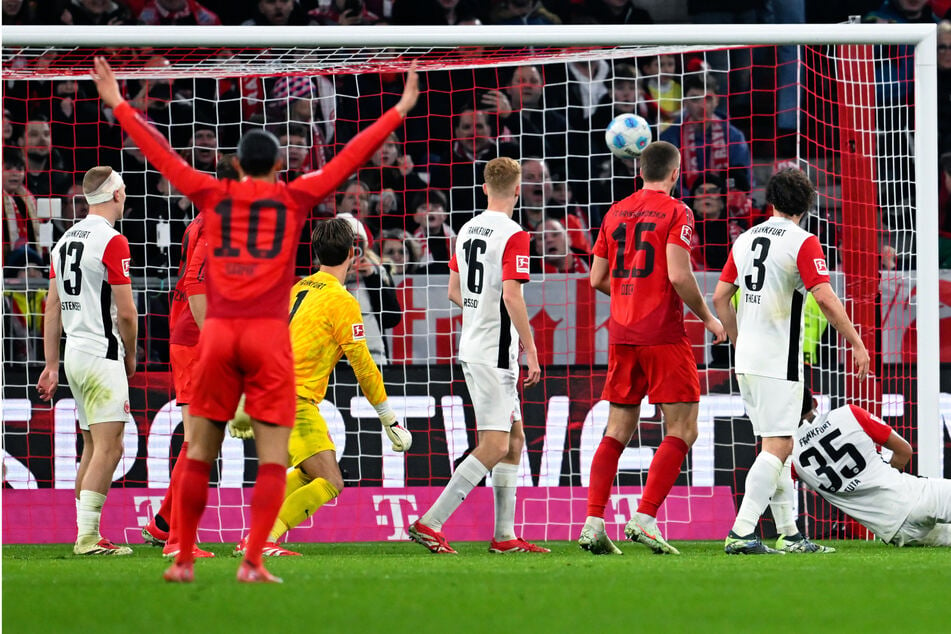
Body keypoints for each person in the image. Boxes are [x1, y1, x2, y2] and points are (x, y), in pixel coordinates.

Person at [91, 55, 419, 583]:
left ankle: (180, 557)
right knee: (271, 457)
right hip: (268, 342)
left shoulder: (213, 196)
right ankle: (253, 561)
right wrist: (399, 109)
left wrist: (120, 105)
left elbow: (164, 158)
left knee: (200, 450)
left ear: (239, 166)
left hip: (219, 336)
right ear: (277, 166)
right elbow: (348, 160)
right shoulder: (294, 198)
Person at [231, 217, 412, 557]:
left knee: (306, 472)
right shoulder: (342, 301)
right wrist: (389, 419)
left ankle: (256, 531)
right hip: (293, 399)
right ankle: (262, 539)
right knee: (330, 481)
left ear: (316, 254)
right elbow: (363, 364)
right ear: (352, 253)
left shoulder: (298, 288)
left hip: (269, 392)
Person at [578, 141, 726, 556]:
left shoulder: (614, 211)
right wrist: (709, 318)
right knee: (683, 428)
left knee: (617, 431)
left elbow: (596, 279)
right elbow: (679, 275)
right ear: (676, 173)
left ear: (639, 170)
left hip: (622, 334)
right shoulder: (678, 211)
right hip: (662, 333)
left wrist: (629, 294)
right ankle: (644, 518)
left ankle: (593, 522)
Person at [713, 167, 869, 555]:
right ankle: (742, 531)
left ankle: (790, 533)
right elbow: (826, 299)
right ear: (806, 204)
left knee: (778, 443)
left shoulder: (745, 238)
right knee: (779, 444)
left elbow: (719, 297)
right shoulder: (803, 241)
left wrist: (737, 338)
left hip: (747, 358)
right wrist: (856, 342)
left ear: (771, 200)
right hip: (778, 360)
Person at [408, 157, 547, 555]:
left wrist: (480, 311)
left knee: (514, 440)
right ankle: (429, 522)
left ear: (485, 187)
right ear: (518, 190)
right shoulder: (515, 233)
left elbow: (454, 292)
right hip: (494, 353)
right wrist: (532, 351)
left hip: (473, 343)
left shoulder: (467, 229)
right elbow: (512, 294)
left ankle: (504, 536)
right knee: (493, 444)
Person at [140, 156, 239, 560]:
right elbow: (197, 282)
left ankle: (164, 524)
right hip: (197, 339)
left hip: (189, 334)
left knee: (199, 441)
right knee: (200, 442)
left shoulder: (201, 219)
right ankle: (180, 540)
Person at [36, 165, 138, 556]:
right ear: (115, 196)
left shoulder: (64, 241)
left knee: (92, 447)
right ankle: (89, 538)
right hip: (101, 353)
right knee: (110, 448)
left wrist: (51, 364)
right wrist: (129, 353)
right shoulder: (113, 240)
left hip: (74, 354)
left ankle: (84, 532)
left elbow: (53, 304)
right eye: (124, 192)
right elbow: (126, 313)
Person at [794, 387, 951, 547]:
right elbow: (904, 451)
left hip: (897, 530)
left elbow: (779, 490)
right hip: (916, 496)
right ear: (815, 402)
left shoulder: (790, 454)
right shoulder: (849, 414)